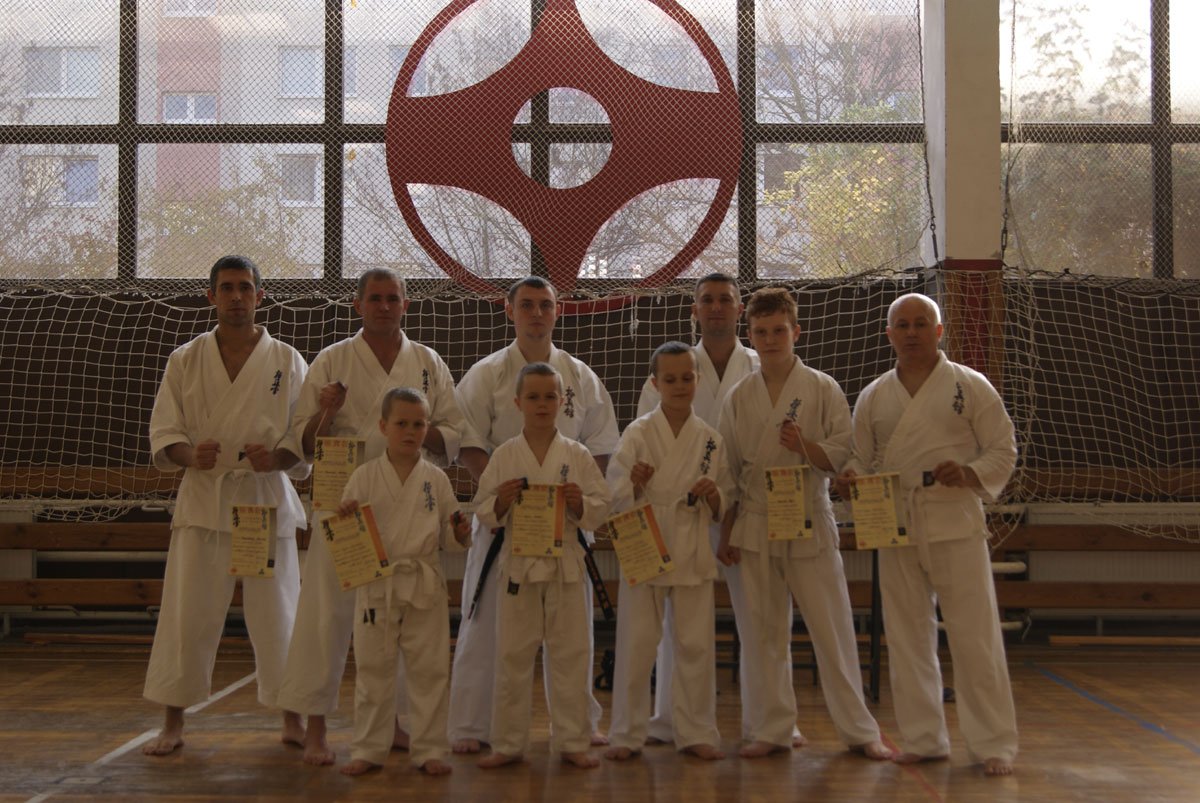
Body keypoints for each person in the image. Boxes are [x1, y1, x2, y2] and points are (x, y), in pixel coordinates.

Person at [276, 268, 469, 765]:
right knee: (326, 615)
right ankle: (314, 727)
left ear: (406, 304)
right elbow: (301, 442)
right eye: (375, 298)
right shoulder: (332, 359)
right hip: (345, 505)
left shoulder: (427, 361)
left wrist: (412, 428)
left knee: (400, 623)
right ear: (357, 305)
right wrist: (326, 411)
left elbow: (453, 434)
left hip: (407, 503)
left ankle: (396, 725)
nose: (384, 306)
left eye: (393, 298)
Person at [835, 293, 1018, 777]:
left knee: (974, 635)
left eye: (921, 323)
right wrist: (851, 476)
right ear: (889, 334)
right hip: (894, 519)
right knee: (906, 635)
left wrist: (970, 472)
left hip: (952, 516)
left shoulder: (969, 385)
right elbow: (862, 457)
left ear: (939, 331)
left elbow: (1003, 450)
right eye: (903, 325)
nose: (912, 332)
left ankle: (993, 742)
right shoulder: (874, 395)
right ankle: (923, 737)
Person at [142, 254, 308, 756]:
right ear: (211, 295)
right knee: (188, 614)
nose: (237, 296)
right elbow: (165, 432)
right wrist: (191, 455)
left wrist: (275, 458)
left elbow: (301, 438)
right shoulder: (185, 359)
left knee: (278, 614)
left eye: (245, 287)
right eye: (228, 287)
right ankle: (173, 721)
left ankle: (294, 716)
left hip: (262, 499)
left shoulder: (287, 360)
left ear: (260, 295)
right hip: (204, 499)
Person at [717, 287, 891, 760]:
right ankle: (772, 729)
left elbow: (844, 454)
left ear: (796, 332)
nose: (770, 340)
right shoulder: (738, 396)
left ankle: (860, 731)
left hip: (809, 515)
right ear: (750, 335)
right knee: (763, 632)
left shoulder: (822, 387)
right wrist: (727, 532)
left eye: (779, 331)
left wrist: (804, 446)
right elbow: (728, 471)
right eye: (761, 332)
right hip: (755, 521)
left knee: (832, 628)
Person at [636, 272, 807, 748]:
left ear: (739, 310)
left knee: (762, 617)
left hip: (746, 508)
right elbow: (646, 433)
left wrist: (728, 507)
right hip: (681, 511)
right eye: (707, 300)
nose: (716, 307)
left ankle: (772, 723)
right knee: (678, 623)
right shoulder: (673, 363)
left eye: (725, 300)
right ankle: (669, 720)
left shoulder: (761, 363)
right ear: (694, 310)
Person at [449, 276, 619, 753]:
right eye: (527, 305)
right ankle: (474, 726)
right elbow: (466, 443)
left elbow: (601, 446)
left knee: (572, 638)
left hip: (565, 524)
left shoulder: (580, 376)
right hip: (504, 521)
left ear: (557, 311)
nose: (537, 313)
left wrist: (576, 498)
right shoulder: (486, 374)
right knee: (488, 629)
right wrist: (504, 491)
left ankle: (578, 729)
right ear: (510, 311)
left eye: (546, 304)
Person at [473, 362, 612, 769]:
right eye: (532, 397)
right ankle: (507, 743)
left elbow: (601, 506)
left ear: (562, 402)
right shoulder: (504, 455)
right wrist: (501, 502)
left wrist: (580, 504)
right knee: (512, 655)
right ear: (517, 402)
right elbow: (482, 508)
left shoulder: (577, 454)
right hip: (518, 565)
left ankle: (572, 740)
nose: (541, 404)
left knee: (572, 653)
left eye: (549, 396)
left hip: (566, 564)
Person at [335, 388, 470, 777]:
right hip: (377, 583)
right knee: (373, 670)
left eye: (418, 424)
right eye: (402, 423)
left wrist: (460, 533)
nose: (410, 431)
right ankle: (368, 748)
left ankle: (430, 748)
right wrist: (346, 516)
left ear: (427, 428)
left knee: (430, 670)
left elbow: (450, 538)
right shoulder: (363, 477)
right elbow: (350, 537)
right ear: (383, 426)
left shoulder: (436, 479)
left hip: (423, 582)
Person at [606, 342, 729, 762]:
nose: (680, 386)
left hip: (691, 543)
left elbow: (725, 499)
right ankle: (626, 733)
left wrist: (713, 496)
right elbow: (614, 493)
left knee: (695, 645)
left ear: (698, 380)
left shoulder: (710, 438)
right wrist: (634, 483)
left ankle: (695, 730)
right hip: (646, 541)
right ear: (655, 383)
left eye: (687, 378)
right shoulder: (638, 433)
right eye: (670, 379)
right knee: (637, 643)